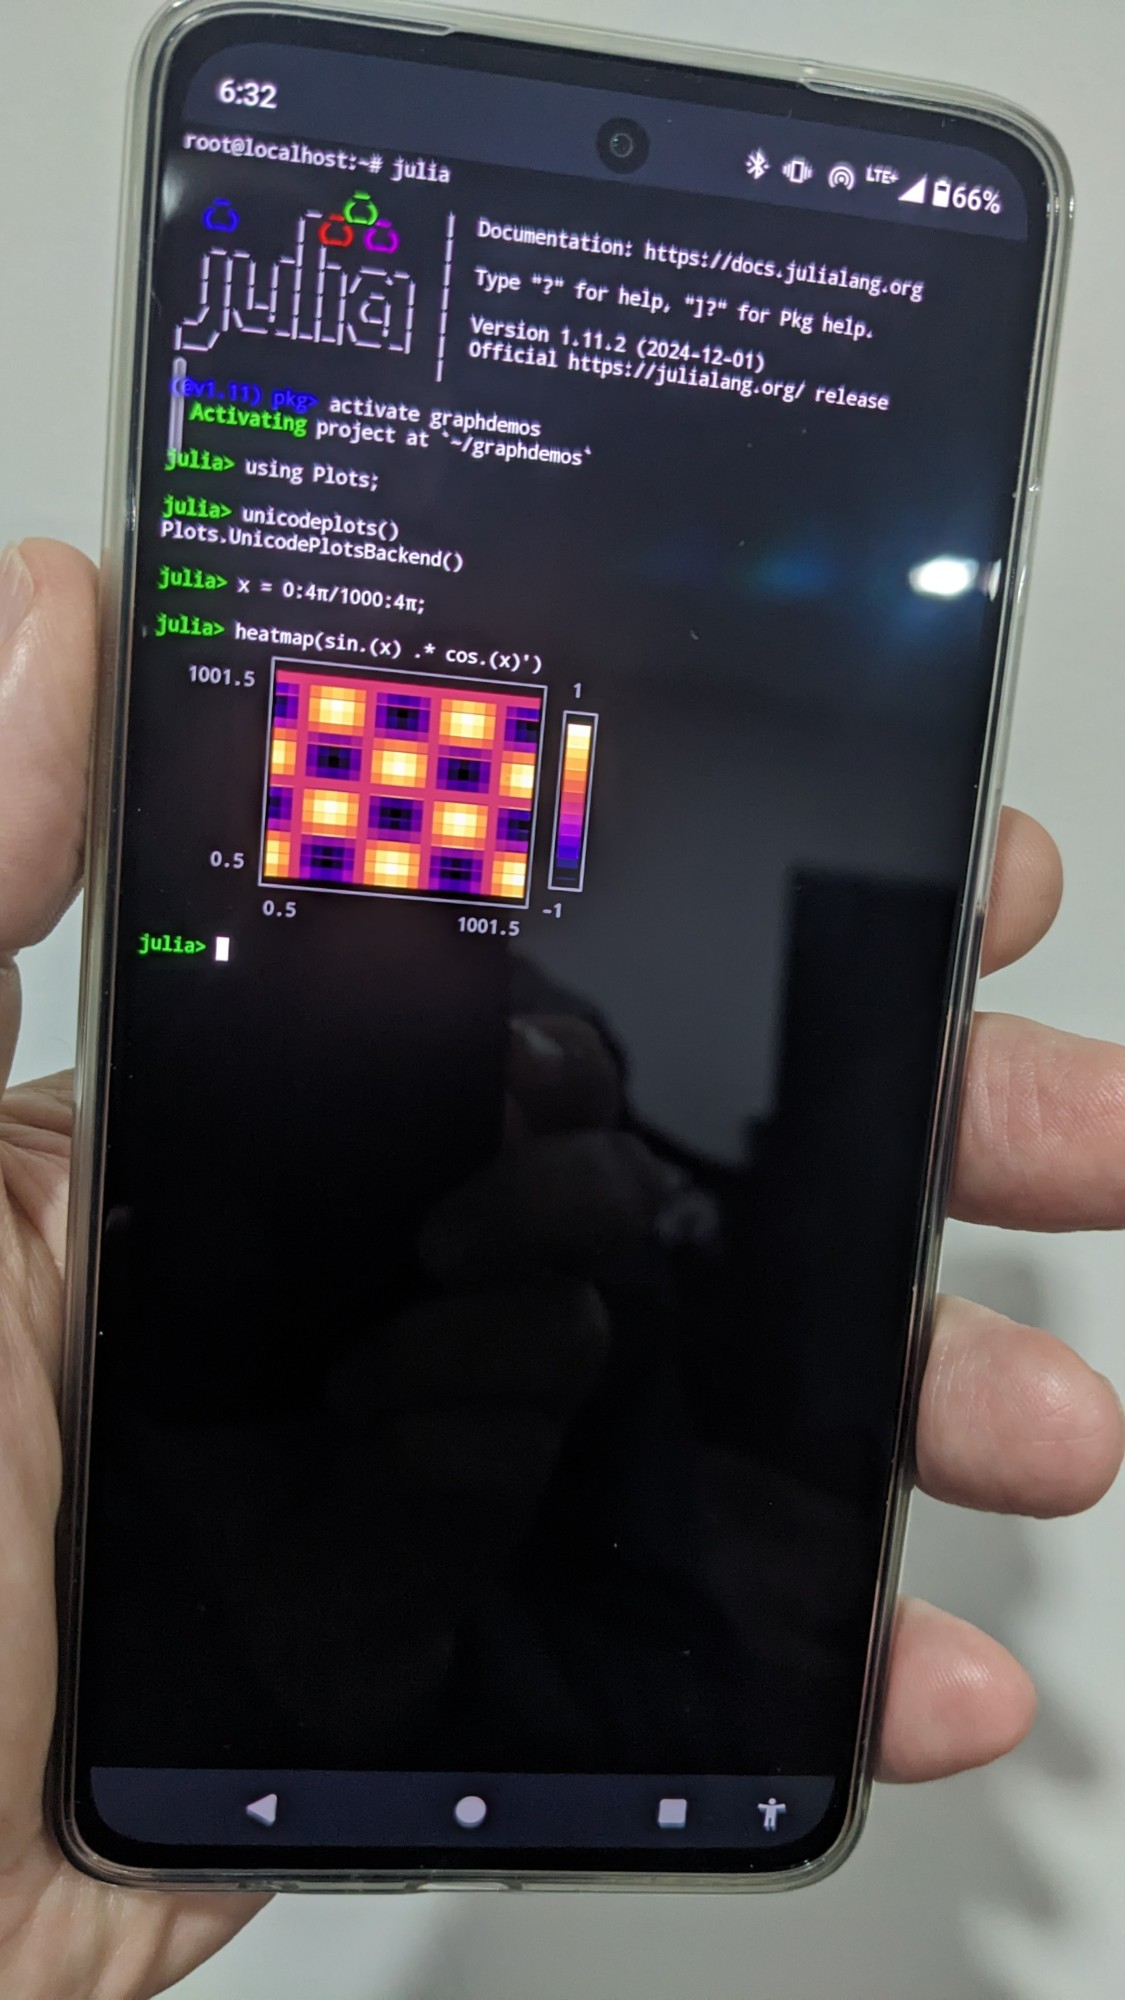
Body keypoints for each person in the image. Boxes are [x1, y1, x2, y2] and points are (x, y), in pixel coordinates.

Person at [0, 536, 1122, 1997]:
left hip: (514, 1645)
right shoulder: (159, 1102)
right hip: (176, 1636)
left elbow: (661, 1567)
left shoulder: (556, 1108)